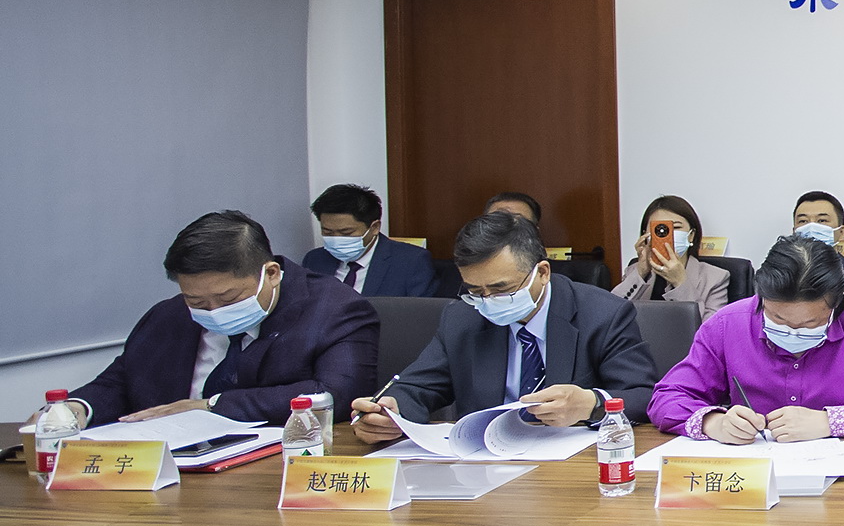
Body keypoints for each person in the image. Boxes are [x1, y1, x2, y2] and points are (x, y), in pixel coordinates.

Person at [351, 212, 656, 441]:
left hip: (571, 465)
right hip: (484, 463)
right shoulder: (463, 317)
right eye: (476, 291)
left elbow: (643, 395)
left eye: (502, 289)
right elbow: (418, 386)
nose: (488, 301)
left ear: (542, 273)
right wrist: (389, 411)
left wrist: (592, 404)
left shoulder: (602, 314)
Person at [58, 211, 376, 426]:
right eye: (196, 301)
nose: (213, 311)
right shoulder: (169, 315)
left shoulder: (334, 309)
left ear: (271, 274)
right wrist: (77, 409)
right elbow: (122, 380)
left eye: (228, 298)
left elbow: (334, 394)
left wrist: (211, 406)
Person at [649, 235, 844, 442]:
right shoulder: (727, 325)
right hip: (755, 473)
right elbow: (667, 398)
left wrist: (832, 421)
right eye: (778, 319)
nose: (792, 331)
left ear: (838, 303)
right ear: (761, 297)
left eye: (810, 323)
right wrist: (714, 423)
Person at [300, 183, 440, 298]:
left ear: (374, 227)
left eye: (346, 233)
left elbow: (418, 316)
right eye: (327, 232)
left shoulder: (411, 261)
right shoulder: (314, 260)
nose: (337, 239)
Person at [611, 195, 730, 319]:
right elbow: (610, 314)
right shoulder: (634, 271)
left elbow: (709, 328)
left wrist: (680, 282)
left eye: (676, 227)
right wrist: (641, 272)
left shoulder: (715, 278)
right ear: (645, 235)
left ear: (691, 235)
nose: (668, 234)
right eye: (659, 228)